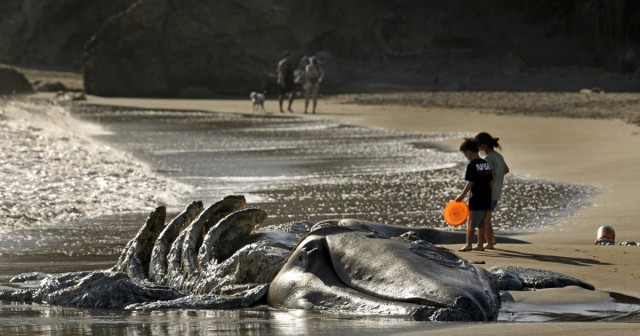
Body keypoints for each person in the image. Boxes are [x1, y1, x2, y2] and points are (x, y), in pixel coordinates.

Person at [455, 138, 494, 252]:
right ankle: (480, 245)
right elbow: (491, 181)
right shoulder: (485, 164)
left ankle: (468, 245)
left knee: (471, 222)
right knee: (481, 223)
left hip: (476, 198)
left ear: (469, 152)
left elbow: (470, 182)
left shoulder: (472, 165)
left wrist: (462, 195)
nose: (465, 156)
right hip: (486, 198)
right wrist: (490, 196)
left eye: (464, 153)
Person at [475, 132, 509, 250]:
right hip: (496, 193)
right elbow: (506, 170)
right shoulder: (498, 156)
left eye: (478, 146)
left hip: (489, 193)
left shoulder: (489, 158)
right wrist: (498, 178)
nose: (478, 149)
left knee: (484, 220)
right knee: (487, 218)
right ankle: (492, 239)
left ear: (484, 145)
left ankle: (488, 243)